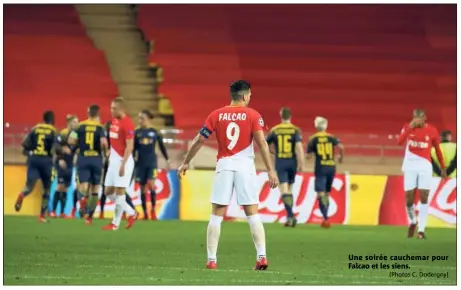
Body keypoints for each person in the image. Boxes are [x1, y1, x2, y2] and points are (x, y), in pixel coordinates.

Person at [177, 80, 278, 270]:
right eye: (249, 95)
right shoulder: (253, 115)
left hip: (224, 164)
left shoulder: (216, 115)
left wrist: (186, 161)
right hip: (245, 166)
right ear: (244, 96)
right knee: (252, 214)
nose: (250, 97)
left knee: (217, 214)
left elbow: (199, 139)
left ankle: (212, 259)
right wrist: (271, 170)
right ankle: (262, 257)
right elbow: (262, 143)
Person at [398, 109, 446, 239]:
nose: (417, 120)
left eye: (419, 118)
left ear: (425, 118)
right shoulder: (407, 128)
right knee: (409, 198)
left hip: (425, 165)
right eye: (415, 118)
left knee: (424, 196)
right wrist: (409, 129)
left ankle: (421, 230)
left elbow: (437, 149)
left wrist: (443, 166)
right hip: (410, 165)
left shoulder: (432, 130)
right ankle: (413, 220)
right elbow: (399, 142)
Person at [102, 97, 138, 230]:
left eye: (114, 108)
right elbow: (113, 140)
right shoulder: (113, 121)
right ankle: (132, 212)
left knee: (120, 192)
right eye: (111, 108)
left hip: (124, 161)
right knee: (108, 191)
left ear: (122, 109)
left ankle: (115, 224)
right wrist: (108, 150)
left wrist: (123, 164)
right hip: (113, 161)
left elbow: (130, 146)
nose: (111, 110)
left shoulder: (127, 124)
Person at [15, 111, 57, 223]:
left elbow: (24, 145)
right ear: (53, 120)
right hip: (46, 161)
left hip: (34, 160)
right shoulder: (52, 131)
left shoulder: (35, 128)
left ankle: (21, 194)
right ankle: (42, 216)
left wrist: (31, 154)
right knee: (46, 189)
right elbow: (54, 149)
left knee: (29, 187)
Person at [69, 105, 108, 225]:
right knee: (95, 190)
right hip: (96, 159)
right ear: (98, 114)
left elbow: (70, 140)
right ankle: (89, 217)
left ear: (88, 113)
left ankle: (82, 201)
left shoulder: (79, 126)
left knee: (83, 186)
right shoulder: (100, 127)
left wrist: (79, 144)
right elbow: (104, 143)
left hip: (83, 158)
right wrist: (105, 152)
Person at [266, 107, 304, 227]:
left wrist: (271, 150)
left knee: (284, 190)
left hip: (281, 162)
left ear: (281, 115)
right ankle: (290, 217)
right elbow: (299, 147)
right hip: (292, 162)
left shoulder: (275, 130)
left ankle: (290, 216)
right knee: (289, 190)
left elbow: (265, 144)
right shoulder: (295, 130)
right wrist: (301, 163)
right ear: (290, 116)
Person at [307, 116, 344, 228]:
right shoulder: (331, 137)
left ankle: (326, 218)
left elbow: (309, 156)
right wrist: (341, 158)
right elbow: (341, 147)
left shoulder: (313, 139)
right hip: (331, 167)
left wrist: (306, 156)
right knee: (327, 193)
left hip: (321, 167)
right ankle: (326, 218)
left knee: (321, 193)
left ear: (316, 126)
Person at [134, 109, 170, 220]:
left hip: (151, 163)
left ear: (148, 119)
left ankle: (153, 211)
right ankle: (145, 213)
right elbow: (133, 149)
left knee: (151, 185)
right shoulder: (136, 132)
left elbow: (162, 146)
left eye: (142, 118)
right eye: (139, 118)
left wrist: (167, 160)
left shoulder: (155, 132)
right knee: (142, 189)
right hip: (140, 164)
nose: (140, 121)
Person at [99, 121, 136, 220]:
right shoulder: (105, 134)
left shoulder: (122, 135)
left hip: (120, 164)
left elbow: (129, 147)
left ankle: (129, 211)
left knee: (120, 190)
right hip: (109, 165)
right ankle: (102, 212)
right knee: (106, 189)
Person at [50, 115, 79, 218]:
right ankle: (53, 211)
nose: (76, 124)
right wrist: (60, 157)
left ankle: (62, 212)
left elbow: (76, 148)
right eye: (74, 122)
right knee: (60, 186)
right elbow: (56, 146)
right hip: (61, 162)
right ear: (69, 123)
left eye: (77, 122)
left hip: (70, 164)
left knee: (66, 188)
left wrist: (76, 154)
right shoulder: (63, 133)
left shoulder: (76, 135)